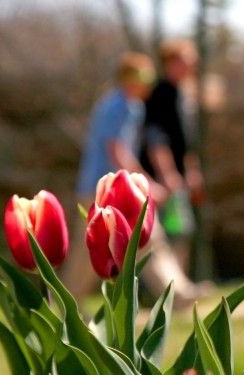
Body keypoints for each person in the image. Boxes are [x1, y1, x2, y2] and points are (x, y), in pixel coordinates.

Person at [65, 51, 202, 306]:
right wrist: (146, 183)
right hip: (100, 189)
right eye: (142, 76)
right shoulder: (116, 105)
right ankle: (67, 304)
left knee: (150, 239)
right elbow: (116, 149)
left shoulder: (135, 107)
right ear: (127, 79)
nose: (148, 83)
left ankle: (178, 293)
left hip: (124, 189)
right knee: (87, 251)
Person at [140, 39, 205, 275]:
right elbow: (156, 138)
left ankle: (178, 289)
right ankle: (171, 291)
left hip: (179, 175)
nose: (190, 65)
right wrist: (167, 175)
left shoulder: (183, 95)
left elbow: (186, 143)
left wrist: (192, 171)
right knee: (167, 235)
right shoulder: (161, 93)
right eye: (185, 60)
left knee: (181, 232)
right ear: (170, 62)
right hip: (161, 178)